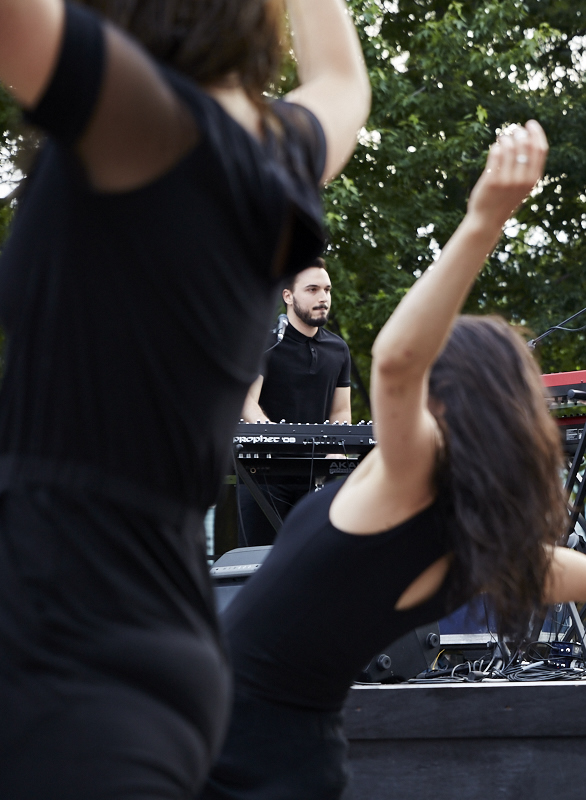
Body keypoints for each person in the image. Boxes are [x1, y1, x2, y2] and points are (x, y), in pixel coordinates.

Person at [202, 123, 586, 799]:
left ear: (448, 400)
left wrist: (485, 218)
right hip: (297, 754)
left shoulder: (399, 479)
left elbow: (398, 357)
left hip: (221, 733)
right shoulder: (483, 542)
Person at [0, 0, 369, 796]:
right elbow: (342, 80)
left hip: (61, 632)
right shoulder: (278, 155)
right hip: (165, 649)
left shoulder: (135, 116)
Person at [239, 257, 353, 545]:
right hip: (264, 476)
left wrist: (335, 458)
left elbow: (340, 411)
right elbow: (247, 402)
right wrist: (277, 439)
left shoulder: (338, 349)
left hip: (316, 478)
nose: (323, 298)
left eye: (327, 290)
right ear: (288, 296)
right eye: (312, 290)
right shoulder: (266, 342)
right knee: (260, 567)